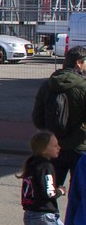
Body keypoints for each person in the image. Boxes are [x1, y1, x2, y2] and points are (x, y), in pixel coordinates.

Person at [31, 45, 86, 185]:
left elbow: (37, 118)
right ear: (79, 63)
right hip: (80, 148)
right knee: (79, 192)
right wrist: (77, 137)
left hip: (53, 147)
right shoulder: (83, 86)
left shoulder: (47, 85)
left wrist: (52, 135)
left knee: (52, 188)